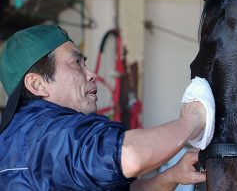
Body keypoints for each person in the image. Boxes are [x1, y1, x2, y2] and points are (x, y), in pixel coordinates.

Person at [0, 25, 211, 190]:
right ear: (37, 84)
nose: (91, 73)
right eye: (76, 64)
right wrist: (193, 119)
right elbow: (130, 154)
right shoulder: (46, 135)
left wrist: (172, 176)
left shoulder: (18, 138)